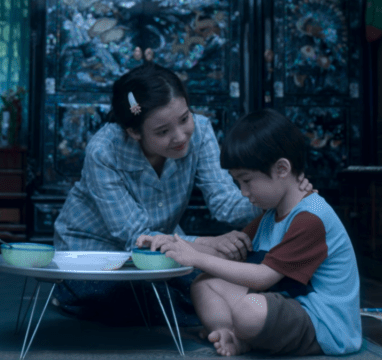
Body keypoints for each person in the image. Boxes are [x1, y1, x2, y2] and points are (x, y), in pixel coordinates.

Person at [51, 63, 312, 325]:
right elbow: (135, 236)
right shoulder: (104, 151)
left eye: (185, 118)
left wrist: (279, 194)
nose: (180, 137)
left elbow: (225, 202)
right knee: (144, 297)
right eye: (163, 132)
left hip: (164, 251)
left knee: (216, 282)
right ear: (134, 132)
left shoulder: (200, 131)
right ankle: (70, 293)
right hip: (98, 254)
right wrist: (207, 246)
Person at [155, 109, 361, 357]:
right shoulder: (270, 215)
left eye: (247, 181)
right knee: (204, 284)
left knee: (249, 310)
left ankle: (245, 335)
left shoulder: (311, 216)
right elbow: (229, 253)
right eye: (238, 183)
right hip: (286, 304)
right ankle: (228, 334)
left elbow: (262, 278)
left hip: (322, 322)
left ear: (282, 169)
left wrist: (195, 258)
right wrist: (169, 243)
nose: (243, 192)